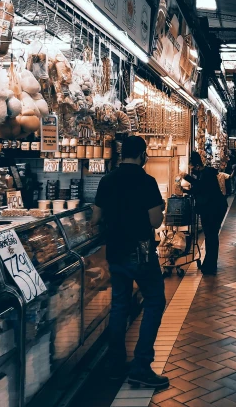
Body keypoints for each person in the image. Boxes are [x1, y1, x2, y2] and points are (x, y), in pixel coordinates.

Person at [91, 135, 168, 388]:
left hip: (115, 252)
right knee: (155, 301)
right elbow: (156, 221)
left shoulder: (107, 180)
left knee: (119, 306)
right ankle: (141, 366)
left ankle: (115, 365)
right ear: (142, 155)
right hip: (141, 252)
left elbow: (95, 217)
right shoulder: (146, 181)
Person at [184, 152, 228, 275]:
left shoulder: (207, 174)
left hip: (213, 209)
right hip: (213, 208)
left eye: (192, 167)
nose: (192, 170)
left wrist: (186, 177)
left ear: (197, 166)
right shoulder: (205, 173)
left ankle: (210, 265)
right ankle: (209, 264)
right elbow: (199, 189)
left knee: (211, 236)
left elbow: (201, 187)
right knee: (211, 236)